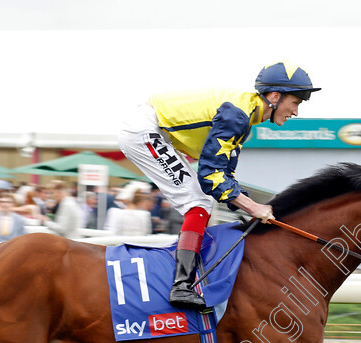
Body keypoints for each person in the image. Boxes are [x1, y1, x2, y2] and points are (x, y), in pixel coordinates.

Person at [118, 61, 320, 309]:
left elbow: (225, 176)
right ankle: (181, 286)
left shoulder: (245, 118)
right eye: (295, 103)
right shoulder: (237, 115)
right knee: (198, 202)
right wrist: (252, 207)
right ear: (275, 96)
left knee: (203, 200)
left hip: (155, 130)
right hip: (144, 130)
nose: (296, 112)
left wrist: (253, 206)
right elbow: (210, 177)